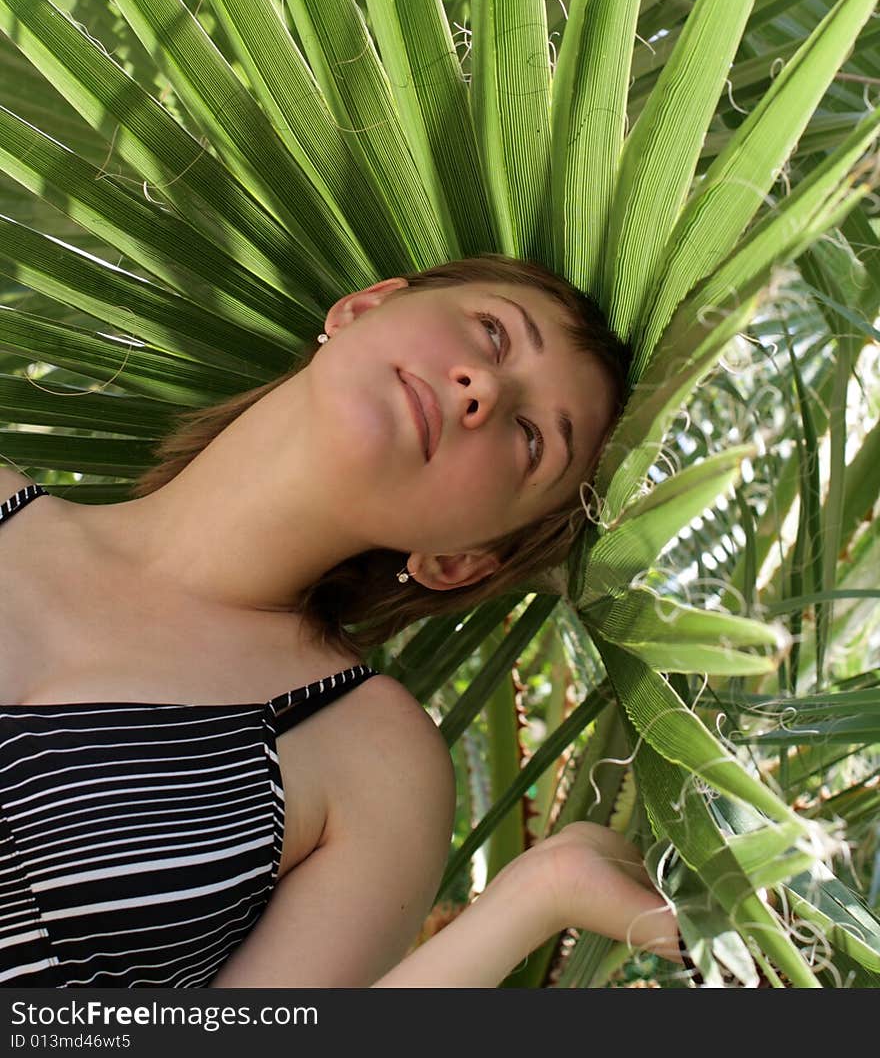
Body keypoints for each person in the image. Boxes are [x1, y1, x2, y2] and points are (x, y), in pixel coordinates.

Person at [0, 254, 682, 987]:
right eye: (491, 333)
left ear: (461, 561)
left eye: (530, 437)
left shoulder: (370, 758)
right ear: (363, 307)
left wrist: (542, 891)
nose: (482, 385)